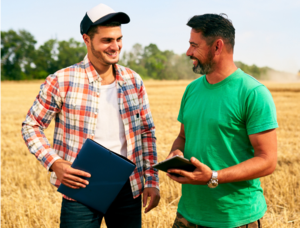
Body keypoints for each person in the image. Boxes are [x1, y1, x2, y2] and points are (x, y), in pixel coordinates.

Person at [21, 3, 160, 228]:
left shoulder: (134, 80)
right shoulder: (61, 80)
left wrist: (152, 180)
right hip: (80, 187)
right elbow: (31, 126)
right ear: (87, 40)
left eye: (119, 39)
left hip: (128, 186)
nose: (115, 46)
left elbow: (146, 132)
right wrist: (54, 162)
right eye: (107, 40)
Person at [166, 14, 277, 228]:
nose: (188, 52)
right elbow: (182, 136)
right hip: (187, 216)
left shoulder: (253, 93)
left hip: (234, 219)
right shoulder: (191, 90)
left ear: (217, 46)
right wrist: (176, 154)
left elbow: (267, 160)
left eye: (194, 45)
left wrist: (213, 177)